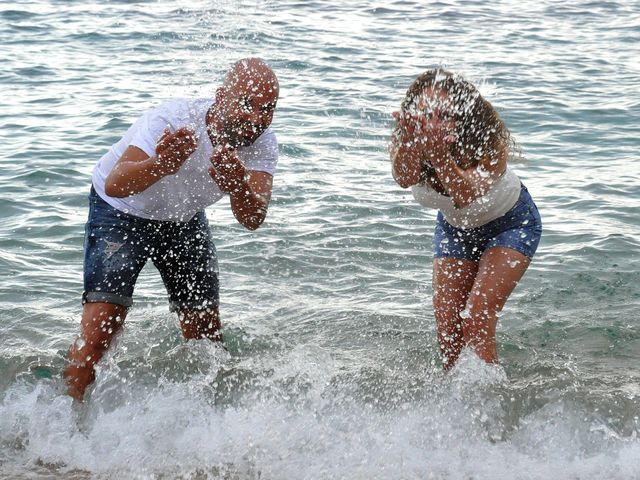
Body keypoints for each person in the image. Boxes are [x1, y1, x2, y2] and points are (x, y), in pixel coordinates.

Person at [63, 58, 280, 400]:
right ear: (221, 97)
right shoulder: (176, 119)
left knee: (206, 334)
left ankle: (208, 430)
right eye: (247, 104)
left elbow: (253, 219)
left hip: (182, 218)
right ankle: (61, 425)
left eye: (267, 109)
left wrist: (239, 187)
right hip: (121, 212)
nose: (256, 120)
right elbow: (115, 183)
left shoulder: (263, 143)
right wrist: (161, 164)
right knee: (102, 328)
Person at [390, 68, 542, 369]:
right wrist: (412, 145)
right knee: (448, 333)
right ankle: (454, 407)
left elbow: (465, 195)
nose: (433, 121)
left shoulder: (488, 141)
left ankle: (492, 401)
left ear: (462, 116)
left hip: (511, 222)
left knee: (476, 317)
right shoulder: (408, 138)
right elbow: (403, 178)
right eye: (426, 112)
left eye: (444, 114)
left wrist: (439, 154)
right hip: (455, 229)